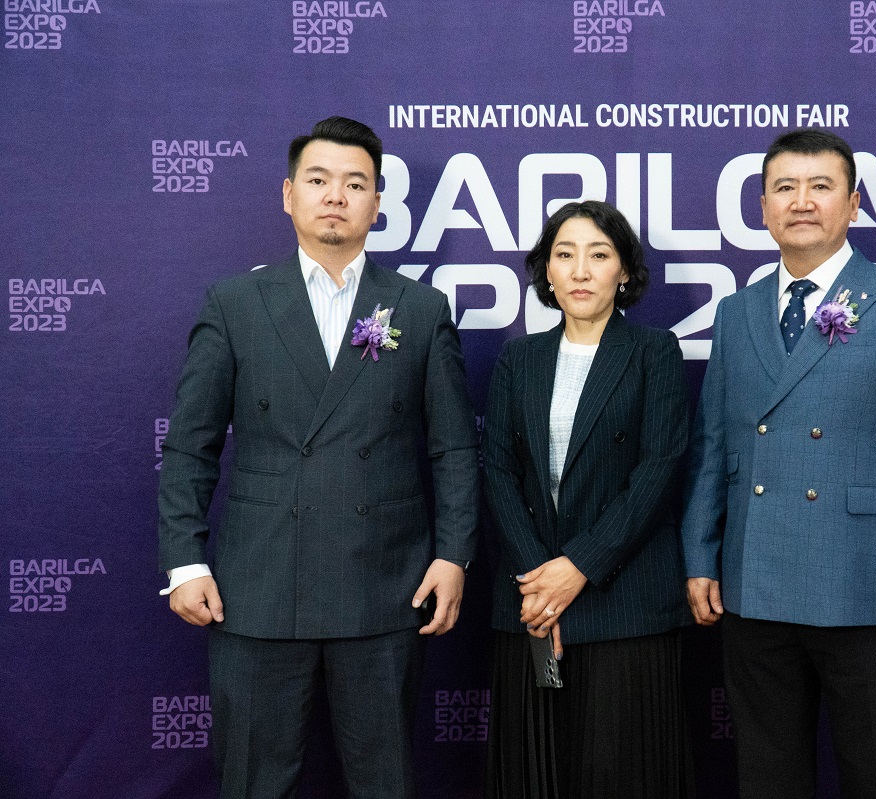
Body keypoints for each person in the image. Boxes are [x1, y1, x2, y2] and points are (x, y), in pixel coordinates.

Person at [157, 116, 479, 799]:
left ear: (377, 203)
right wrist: (184, 560)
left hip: (385, 586)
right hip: (257, 588)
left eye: (355, 183)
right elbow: (190, 445)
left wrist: (454, 555)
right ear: (288, 195)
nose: (336, 195)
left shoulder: (420, 309)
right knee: (253, 782)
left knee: (385, 782)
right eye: (319, 179)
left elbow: (453, 449)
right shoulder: (235, 304)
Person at [682, 129, 876, 799]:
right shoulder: (736, 312)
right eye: (785, 188)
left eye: (820, 186)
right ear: (762, 208)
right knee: (768, 779)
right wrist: (699, 555)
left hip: (867, 589)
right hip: (753, 585)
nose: (802, 202)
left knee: (875, 777)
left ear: (854, 204)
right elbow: (714, 446)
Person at [482, 200, 693, 799]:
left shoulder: (654, 352)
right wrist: (539, 582)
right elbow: (497, 470)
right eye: (565, 254)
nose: (580, 270)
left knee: (622, 774)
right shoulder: (519, 358)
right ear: (546, 271)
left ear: (623, 271)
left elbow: (657, 473)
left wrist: (578, 567)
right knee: (534, 774)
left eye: (598, 255)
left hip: (623, 600)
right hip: (532, 603)